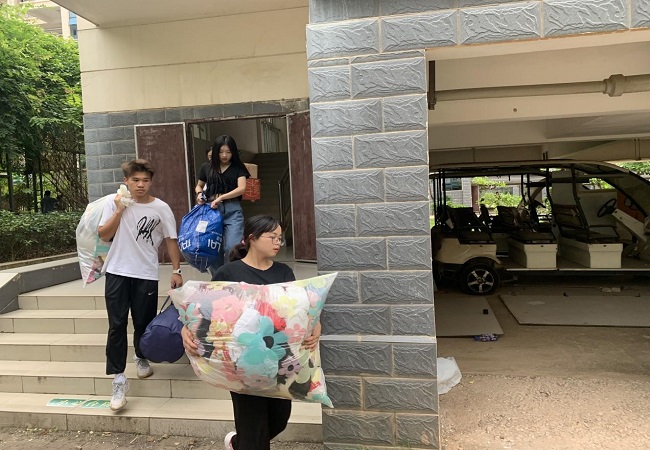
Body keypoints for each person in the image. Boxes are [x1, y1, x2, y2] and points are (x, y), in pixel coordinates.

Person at [181, 215, 321, 450]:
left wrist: (314, 323)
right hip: (241, 364)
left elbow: (297, 309)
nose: (278, 242)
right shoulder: (228, 273)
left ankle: (237, 443)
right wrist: (186, 329)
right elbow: (203, 310)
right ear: (252, 239)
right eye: (272, 237)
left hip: (278, 360)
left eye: (280, 238)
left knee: (279, 420)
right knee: (254, 429)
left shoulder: (284, 272)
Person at [98, 159, 183, 412]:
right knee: (116, 325)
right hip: (116, 271)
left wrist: (176, 270)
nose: (140, 185)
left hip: (145, 273)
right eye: (135, 180)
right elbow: (104, 234)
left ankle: (141, 356)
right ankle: (118, 379)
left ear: (151, 182)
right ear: (126, 181)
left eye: (145, 180)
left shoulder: (161, 208)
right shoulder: (113, 202)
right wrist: (119, 210)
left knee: (143, 322)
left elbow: (171, 239)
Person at [194, 135, 250, 279]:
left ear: (233, 152)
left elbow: (242, 188)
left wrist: (221, 197)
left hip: (232, 209)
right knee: (213, 247)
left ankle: (231, 276)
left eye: (228, 152)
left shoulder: (238, 168)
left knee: (232, 246)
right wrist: (199, 194)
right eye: (221, 152)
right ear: (216, 151)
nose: (224, 155)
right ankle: (218, 278)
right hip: (211, 211)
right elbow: (199, 185)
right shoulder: (207, 167)